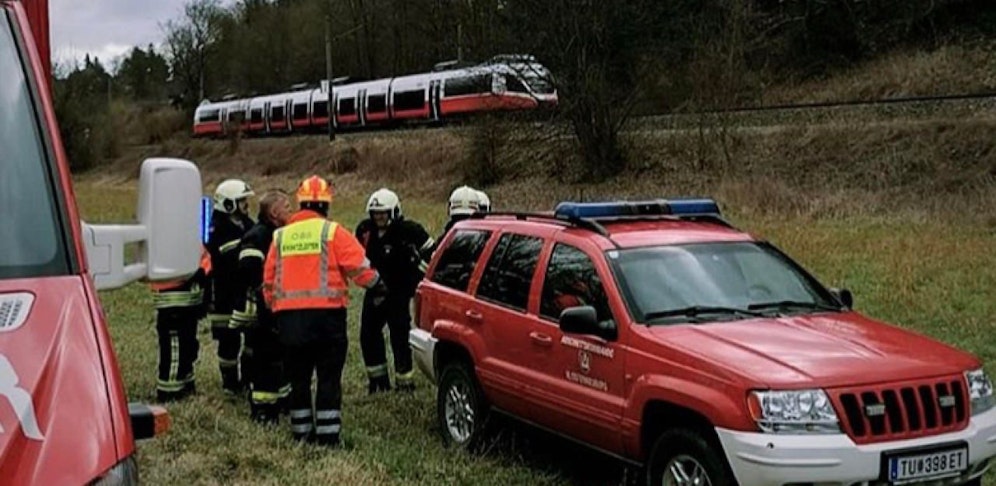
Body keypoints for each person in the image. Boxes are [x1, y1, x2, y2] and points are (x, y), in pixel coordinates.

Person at [263, 175, 384, 446]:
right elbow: (360, 269)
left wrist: (275, 309)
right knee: (328, 378)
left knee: (299, 379)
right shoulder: (333, 232)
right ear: (325, 205)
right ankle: (328, 437)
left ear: (300, 203)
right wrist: (378, 284)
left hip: (290, 320)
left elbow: (269, 281)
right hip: (327, 320)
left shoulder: (280, 236)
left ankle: (301, 433)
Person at [355, 188, 435, 394]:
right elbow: (357, 258)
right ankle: (378, 381)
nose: (379, 217)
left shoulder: (410, 231)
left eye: (383, 213)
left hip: (399, 292)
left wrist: (416, 276)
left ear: (394, 212)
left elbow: (432, 254)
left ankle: (404, 382)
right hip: (375, 292)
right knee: (368, 335)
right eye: (375, 213)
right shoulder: (365, 231)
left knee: (399, 336)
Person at [231, 189, 293, 424]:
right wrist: (265, 293)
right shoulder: (258, 236)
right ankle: (263, 410)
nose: (290, 210)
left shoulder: (278, 234)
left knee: (281, 357)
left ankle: (282, 403)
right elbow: (248, 268)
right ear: (275, 213)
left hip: (276, 308)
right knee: (266, 359)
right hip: (263, 310)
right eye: (286, 207)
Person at [206, 178, 256, 394]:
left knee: (252, 338)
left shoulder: (248, 224)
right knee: (228, 341)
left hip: (243, 292)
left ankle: (247, 377)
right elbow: (228, 255)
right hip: (224, 294)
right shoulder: (218, 229)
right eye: (242, 201)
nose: (246, 205)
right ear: (228, 204)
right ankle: (229, 382)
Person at [150, 247, 212, 402]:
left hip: (188, 294)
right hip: (175, 295)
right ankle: (170, 392)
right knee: (175, 347)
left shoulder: (186, 230)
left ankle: (185, 384)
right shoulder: (168, 233)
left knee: (187, 344)